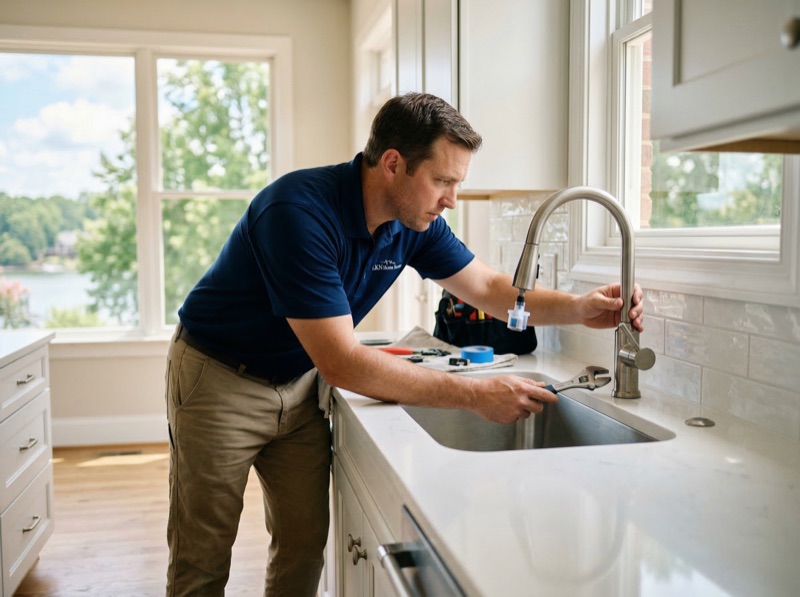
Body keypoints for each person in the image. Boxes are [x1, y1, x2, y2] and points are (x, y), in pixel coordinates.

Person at [165, 92, 646, 596]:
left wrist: (579, 306)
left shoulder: (414, 223)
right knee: (204, 557)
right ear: (393, 164)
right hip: (219, 379)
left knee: (303, 545)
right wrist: (478, 395)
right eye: (443, 181)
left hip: (298, 380)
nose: (451, 200)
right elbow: (344, 364)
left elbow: (487, 289)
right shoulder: (297, 213)